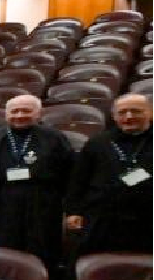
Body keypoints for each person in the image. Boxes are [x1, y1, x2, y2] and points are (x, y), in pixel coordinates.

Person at [0, 94, 74, 274]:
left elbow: (70, 173)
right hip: (3, 204)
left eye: (26, 111)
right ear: (6, 114)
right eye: (14, 111)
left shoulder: (54, 138)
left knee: (42, 250)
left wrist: (70, 208)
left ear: (38, 114)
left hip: (43, 203)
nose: (19, 115)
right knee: (5, 249)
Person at [64, 92, 151, 255]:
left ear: (150, 112)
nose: (129, 116)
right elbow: (79, 180)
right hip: (103, 219)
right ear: (114, 116)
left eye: (136, 111)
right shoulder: (98, 142)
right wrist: (73, 211)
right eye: (122, 112)